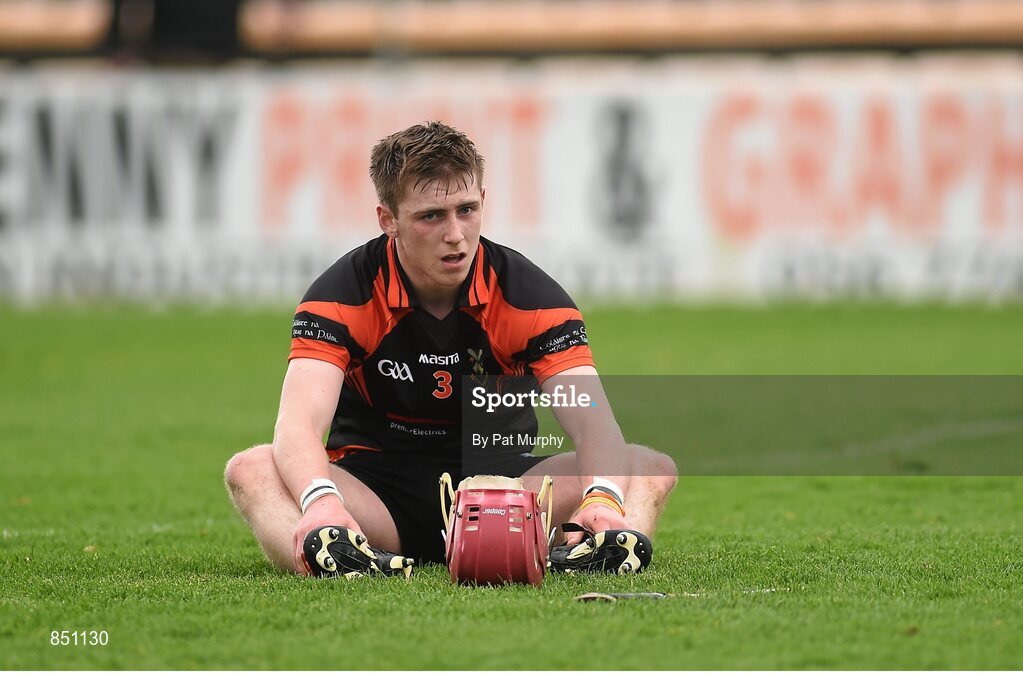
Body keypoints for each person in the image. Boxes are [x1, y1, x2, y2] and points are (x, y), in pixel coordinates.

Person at [224, 121, 677, 576]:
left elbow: (593, 423)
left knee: (647, 466)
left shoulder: (532, 298)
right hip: (375, 494)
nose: (456, 233)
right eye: (431, 216)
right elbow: (298, 425)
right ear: (388, 220)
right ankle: (337, 553)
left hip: (506, 489)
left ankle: (592, 553)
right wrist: (321, 502)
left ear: (484, 201)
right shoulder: (339, 297)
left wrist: (602, 501)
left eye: (467, 209)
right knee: (252, 468)